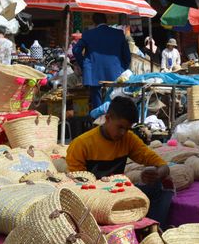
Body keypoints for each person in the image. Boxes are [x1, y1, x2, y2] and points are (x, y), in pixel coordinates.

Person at [66, 96, 172, 225]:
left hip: (118, 193)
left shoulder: (128, 139)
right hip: (93, 199)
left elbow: (162, 166)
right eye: (120, 127)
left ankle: (153, 229)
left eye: (127, 129)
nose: (123, 133)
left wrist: (157, 174)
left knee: (159, 188)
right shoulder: (81, 144)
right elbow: (77, 186)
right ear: (108, 118)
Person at [73, 13, 131, 110]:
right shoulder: (118, 34)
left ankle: (98, 121)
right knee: (115, 101)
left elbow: (76, 50)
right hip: (115, 72)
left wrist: (85, 65)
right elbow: (127, 55)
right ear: (106, 21)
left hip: (93, 73)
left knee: (97, 104)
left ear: (94, 22)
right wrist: (122, 68)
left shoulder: (88, 34)